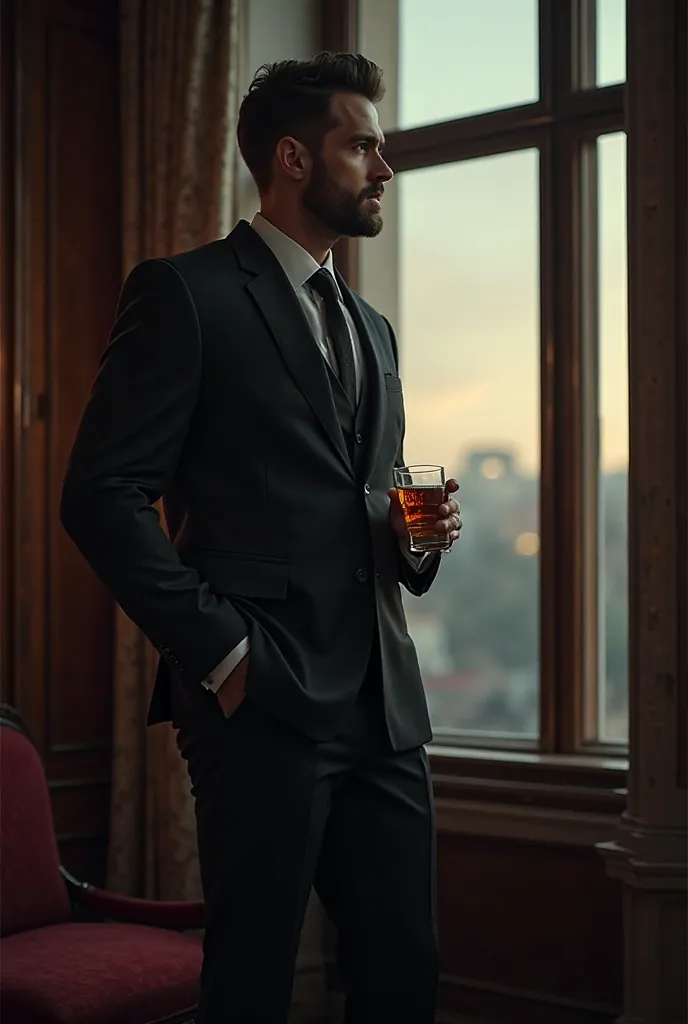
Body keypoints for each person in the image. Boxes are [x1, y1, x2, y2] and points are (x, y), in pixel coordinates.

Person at [60, 52, 462, 1024]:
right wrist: (225, 656)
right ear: (291, 157)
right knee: (249, 987)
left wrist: (418, 538)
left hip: (384, 709)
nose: (383, 167)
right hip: (263, 702)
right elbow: (100, 495)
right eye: (361, 144)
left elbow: (359, 502)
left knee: (405, 981)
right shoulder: (185, 294)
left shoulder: (372, 328)